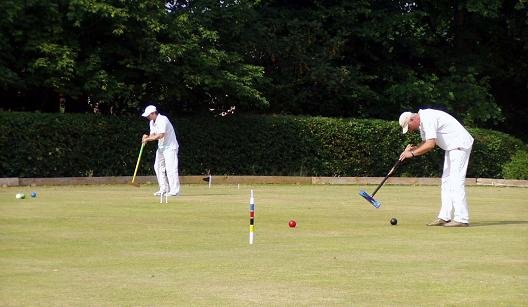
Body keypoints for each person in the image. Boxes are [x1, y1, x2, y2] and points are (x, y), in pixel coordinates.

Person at [398, 109, 474, 227]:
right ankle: (444, 217)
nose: (411, 130)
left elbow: (430, 145)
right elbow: (424, 142)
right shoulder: (422, 123)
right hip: (451, 147)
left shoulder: (427, 118)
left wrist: (412, 154)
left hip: (460, 145)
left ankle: (462, 218)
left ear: (412, 119)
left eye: (409, 127)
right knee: (446, 181)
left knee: (456, 181)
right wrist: (412, 149)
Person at [141, 105, 180, 197]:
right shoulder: (152, 122)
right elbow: (153, 134)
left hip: (170, 147)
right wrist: (146, 136)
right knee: (157, 166)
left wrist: (148, 139)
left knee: (171, 168)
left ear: (154, 113)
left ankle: (174, 191)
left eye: (148, 115)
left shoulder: (163, 119)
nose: (147, 117)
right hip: (162, 147)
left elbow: (160, 135)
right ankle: (164, 189)